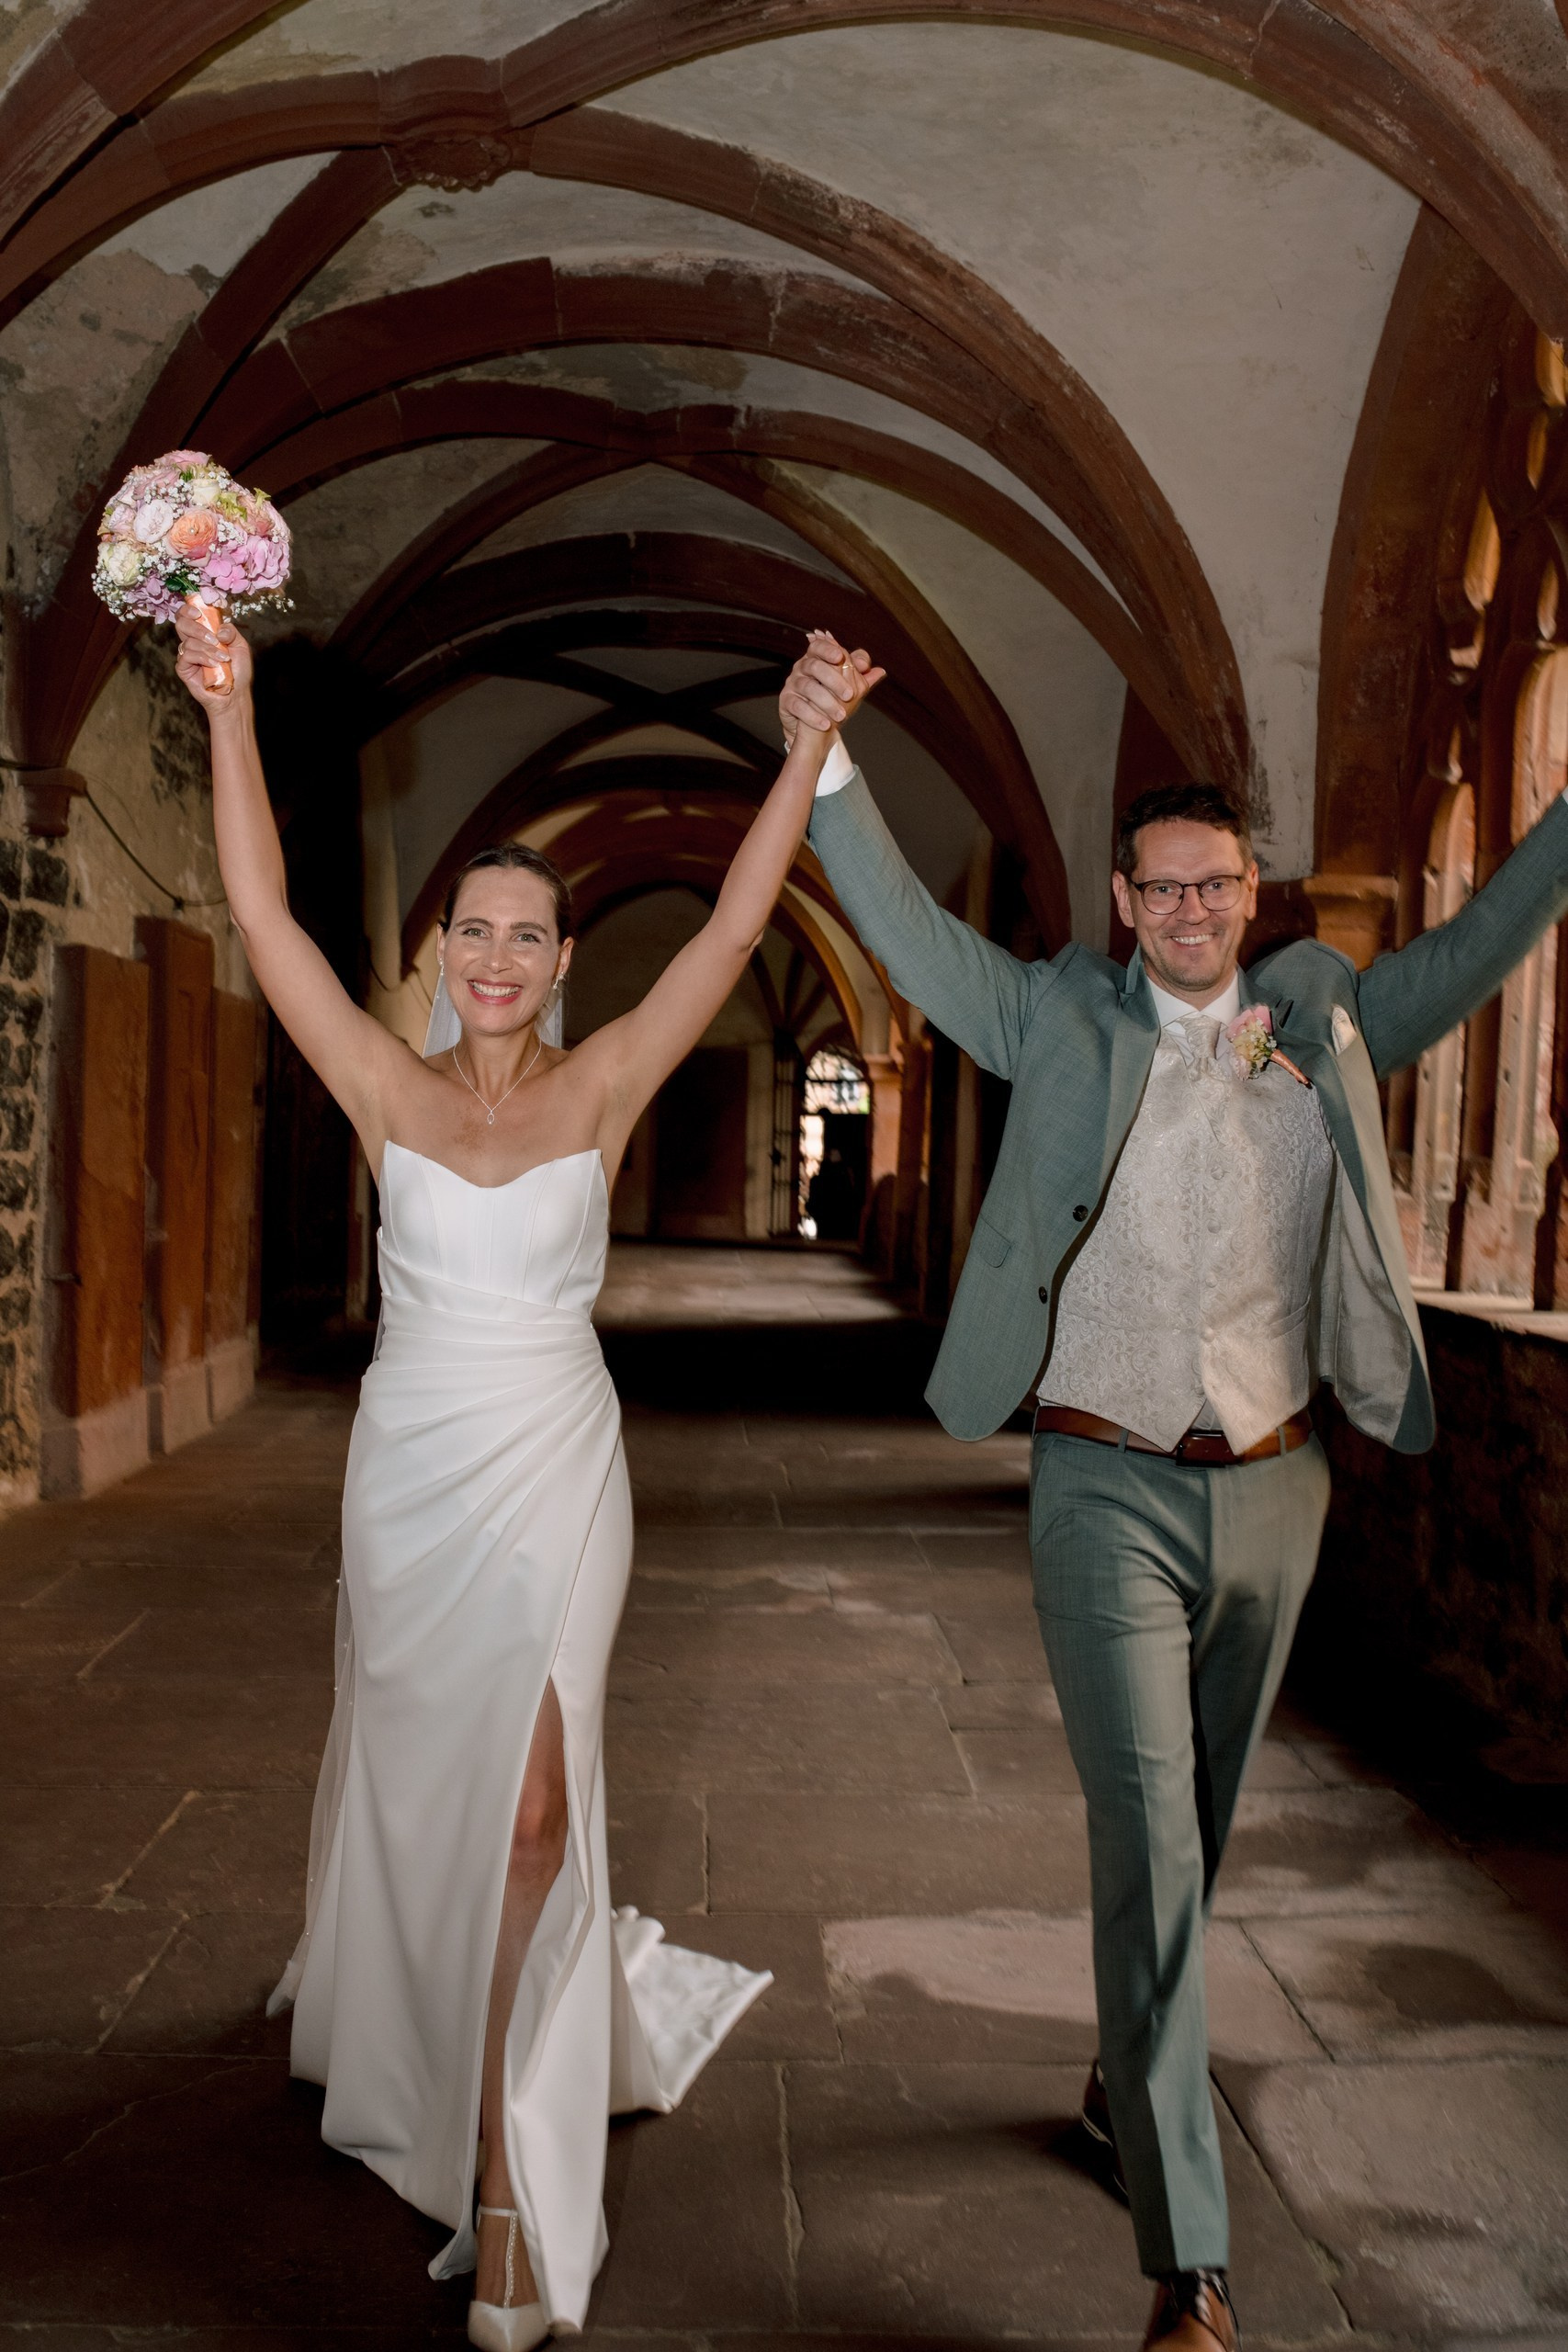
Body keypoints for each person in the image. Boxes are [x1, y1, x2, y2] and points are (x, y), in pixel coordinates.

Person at [779, 635, 1568, 2352]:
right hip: (1103, 1483)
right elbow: (910, 935)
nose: (1194, 909)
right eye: (1164, 888)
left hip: (1278, 1490)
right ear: (1128, 904)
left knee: (1194, 1827)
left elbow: (1478, 947)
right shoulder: (1059, 1016)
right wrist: (825, 758)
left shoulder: (1328, 1021)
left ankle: (1118, 2071)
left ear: (1250, 893)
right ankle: (1188, 2261)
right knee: (1146, 1827)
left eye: (1219, 884)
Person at [174, 606, 883, 2351]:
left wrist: (805, 741)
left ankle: (505, 2180)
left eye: (528, 935)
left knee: (536, 1814)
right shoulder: (382, 1086)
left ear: (564, 960)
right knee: (434, 1789)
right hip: (408, 1476)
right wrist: (229, 708)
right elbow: (262, 918)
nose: (497, 958)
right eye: (474, 931)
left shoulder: (605, 1085)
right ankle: (412, 2017)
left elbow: (732, 927)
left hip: (560, 1463)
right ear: (443, 951)